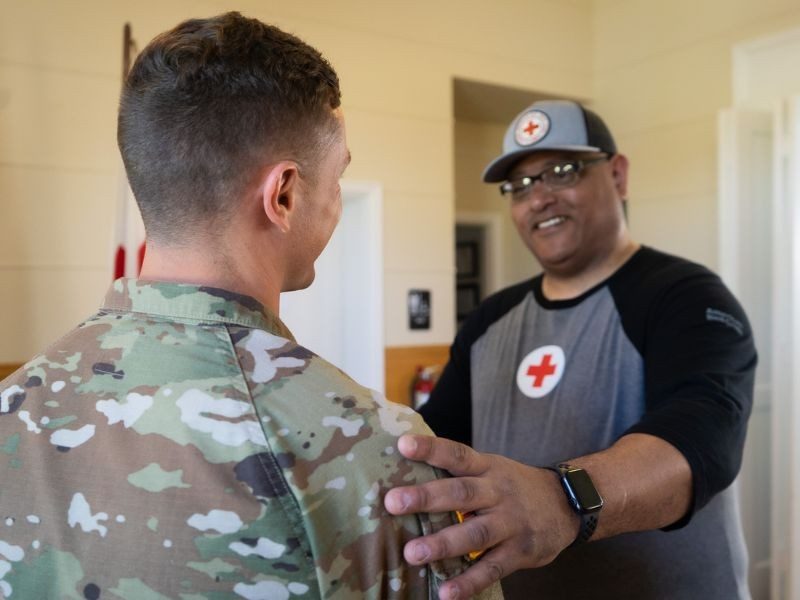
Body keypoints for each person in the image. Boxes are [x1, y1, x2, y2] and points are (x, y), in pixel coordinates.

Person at [0, 13, 503, 599]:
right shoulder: (379, 456)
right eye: (337, 179)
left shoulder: (14, 405)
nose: (337, 201)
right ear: (284, 193)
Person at [384, 99, 757, 599]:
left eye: (561, 172)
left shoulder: (684, 296)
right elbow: (434, 440)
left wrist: (562, 497)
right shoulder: (491, 320)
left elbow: (700, 440)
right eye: (518, 186)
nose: (538, 198)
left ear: (618, 175)